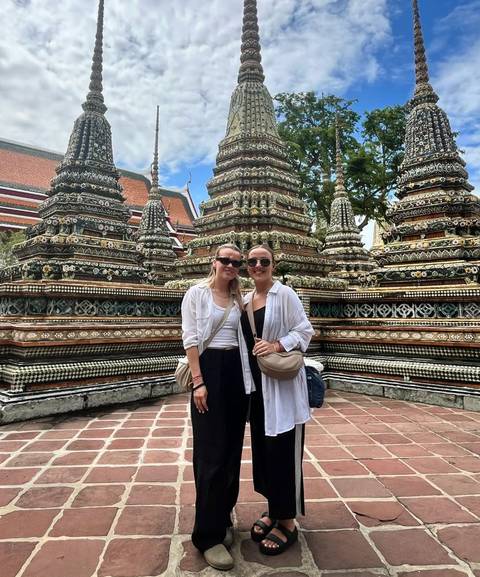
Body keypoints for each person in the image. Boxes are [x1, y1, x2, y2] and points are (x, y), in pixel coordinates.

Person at [239, 244, 314, 556]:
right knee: (266, 454)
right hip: (258, 391)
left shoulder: (285, 294)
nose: (258, 266)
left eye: (264, 261)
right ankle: (273, 509)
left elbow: (305, 331)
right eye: (253, 261)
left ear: (273, 265)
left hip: (282, 389)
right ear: (246, 266)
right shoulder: (243, 301)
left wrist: (278, 345)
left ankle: (288, 522)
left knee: (284, 454)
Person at [181, 243, 249, 571]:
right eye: (225, 260)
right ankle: (206, 535)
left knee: (231, 451)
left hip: (236, 372)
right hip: (208, 369)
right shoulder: (196, 294)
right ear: (214, 262)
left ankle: (222, 519)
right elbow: (190, 339)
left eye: (237, 262)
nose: (231, 266)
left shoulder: (240, 298)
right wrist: (199, 381)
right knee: (209, 454)